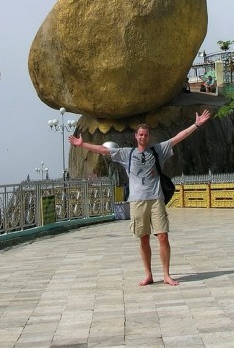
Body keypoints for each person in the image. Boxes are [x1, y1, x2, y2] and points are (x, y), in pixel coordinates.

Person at [69, 108, 211, 286]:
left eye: (146, 134)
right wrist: (81, 144)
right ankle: (148, 274)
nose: (143, 137)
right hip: (137, 201)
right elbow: (103, 150)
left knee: (162, 236)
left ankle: (166, 274)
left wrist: (196, 125)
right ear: (136, 136)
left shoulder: (158, 150)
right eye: (140, 134)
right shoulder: (126, 153)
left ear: (149, 137)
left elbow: (177, 138)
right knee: (143, 237)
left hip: (155, 199)